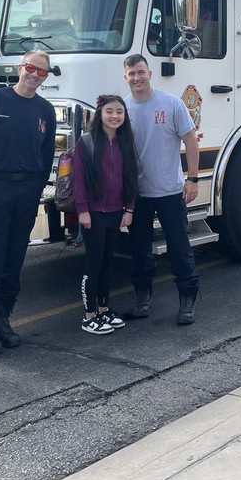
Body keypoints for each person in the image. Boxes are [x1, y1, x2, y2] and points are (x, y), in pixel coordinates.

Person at [0, 50, 57, 355]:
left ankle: (3, 318)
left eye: (41, 72)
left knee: (15, 257)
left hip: (27, 192)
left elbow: (46, 156)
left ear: (45, 77)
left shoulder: (45, 110)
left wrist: (37, 187)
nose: (35, 74)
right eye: (31, 67)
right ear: (20, 68)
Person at [123, 54, 201, 324]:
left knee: (179, 248)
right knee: (139, 249)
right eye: (132, 73)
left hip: (170, 191)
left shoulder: (171, 103)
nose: (137, 78)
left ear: (149, 74)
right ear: (126, 78)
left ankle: (187, 301)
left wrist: (192, 179)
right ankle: (143, 299)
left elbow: (190, 141)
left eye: (141, 72)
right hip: (137, 194)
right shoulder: (122, 110)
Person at [73, 94, 139, 335]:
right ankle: (88, 315)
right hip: (93, 214)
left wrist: (129, 208)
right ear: (100, 114)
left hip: (116, 213)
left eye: (119, 112)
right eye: (109, 111)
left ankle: (103, 309)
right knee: (94, 264)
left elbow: (131, 177)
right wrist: (83, 210)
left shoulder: (126, 142)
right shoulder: (87, 142)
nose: (115, 116)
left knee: (108, 264)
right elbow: (78, 179)